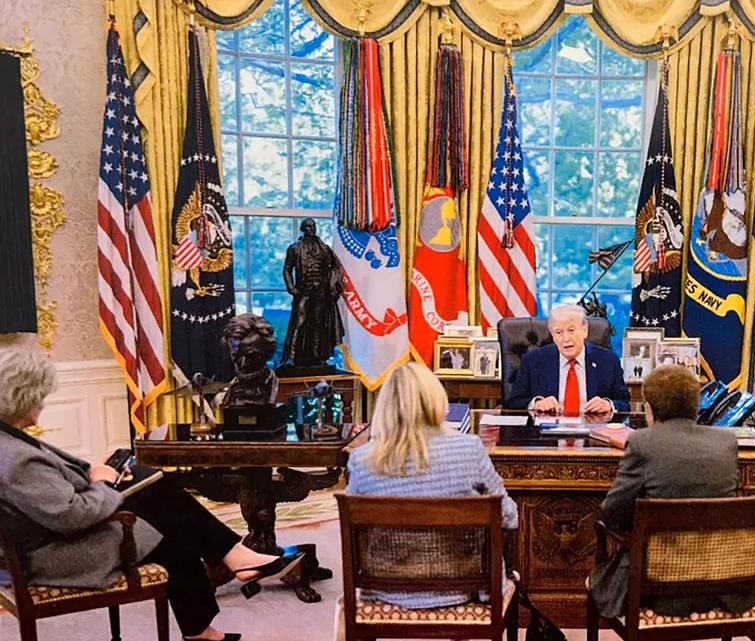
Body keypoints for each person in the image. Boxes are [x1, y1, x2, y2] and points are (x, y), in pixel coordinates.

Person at [0, 345, 302, 641]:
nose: (42, 405)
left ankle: (226, 573)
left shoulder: (8, 442)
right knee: (166, 528)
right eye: (40, 398)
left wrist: (95, 473)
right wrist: (102, 483)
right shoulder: (16, 459)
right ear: (22, 399)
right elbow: (71, 515)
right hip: (53, 555)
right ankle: (229, 568)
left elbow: (51, 494)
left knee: (154, 489)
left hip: (53, 538)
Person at [337, 362, 517, 633]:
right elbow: (509, 517)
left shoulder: (362, 460)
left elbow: (355, 536)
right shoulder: (468, 450)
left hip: (387, 592)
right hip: (463, 590)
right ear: (437, 399)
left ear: (385, 406)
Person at [587, 365, 751, 618]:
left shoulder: (643, 442)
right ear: (697, 406)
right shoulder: (726, 442)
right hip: (720, 584)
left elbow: (612, 514)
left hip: (655, 590)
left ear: (649, 409)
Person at [505, 305, 631, 414]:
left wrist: (608, 405)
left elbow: (624, 403)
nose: (566, 338)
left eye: (571, 330)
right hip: (547, 436)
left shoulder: (608, 360)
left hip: (594, 434)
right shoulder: (533, 361)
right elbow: (514, 402)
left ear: (584, 331)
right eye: (559, 333)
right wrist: (536, 403)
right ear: (553, 336)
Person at [282, 217, 345, 368]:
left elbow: (336, 268)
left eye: (313, 226)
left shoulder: (324, 248)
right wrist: (291, 288)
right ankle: (291, 357)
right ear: (303, 229)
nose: (312, 229)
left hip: (321, 292)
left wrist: (332, 285)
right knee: (299, 322)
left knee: (319, 324)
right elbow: (287, 269)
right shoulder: (295, 248)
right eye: (309, 227)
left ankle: (317, 356)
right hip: (303, 291)